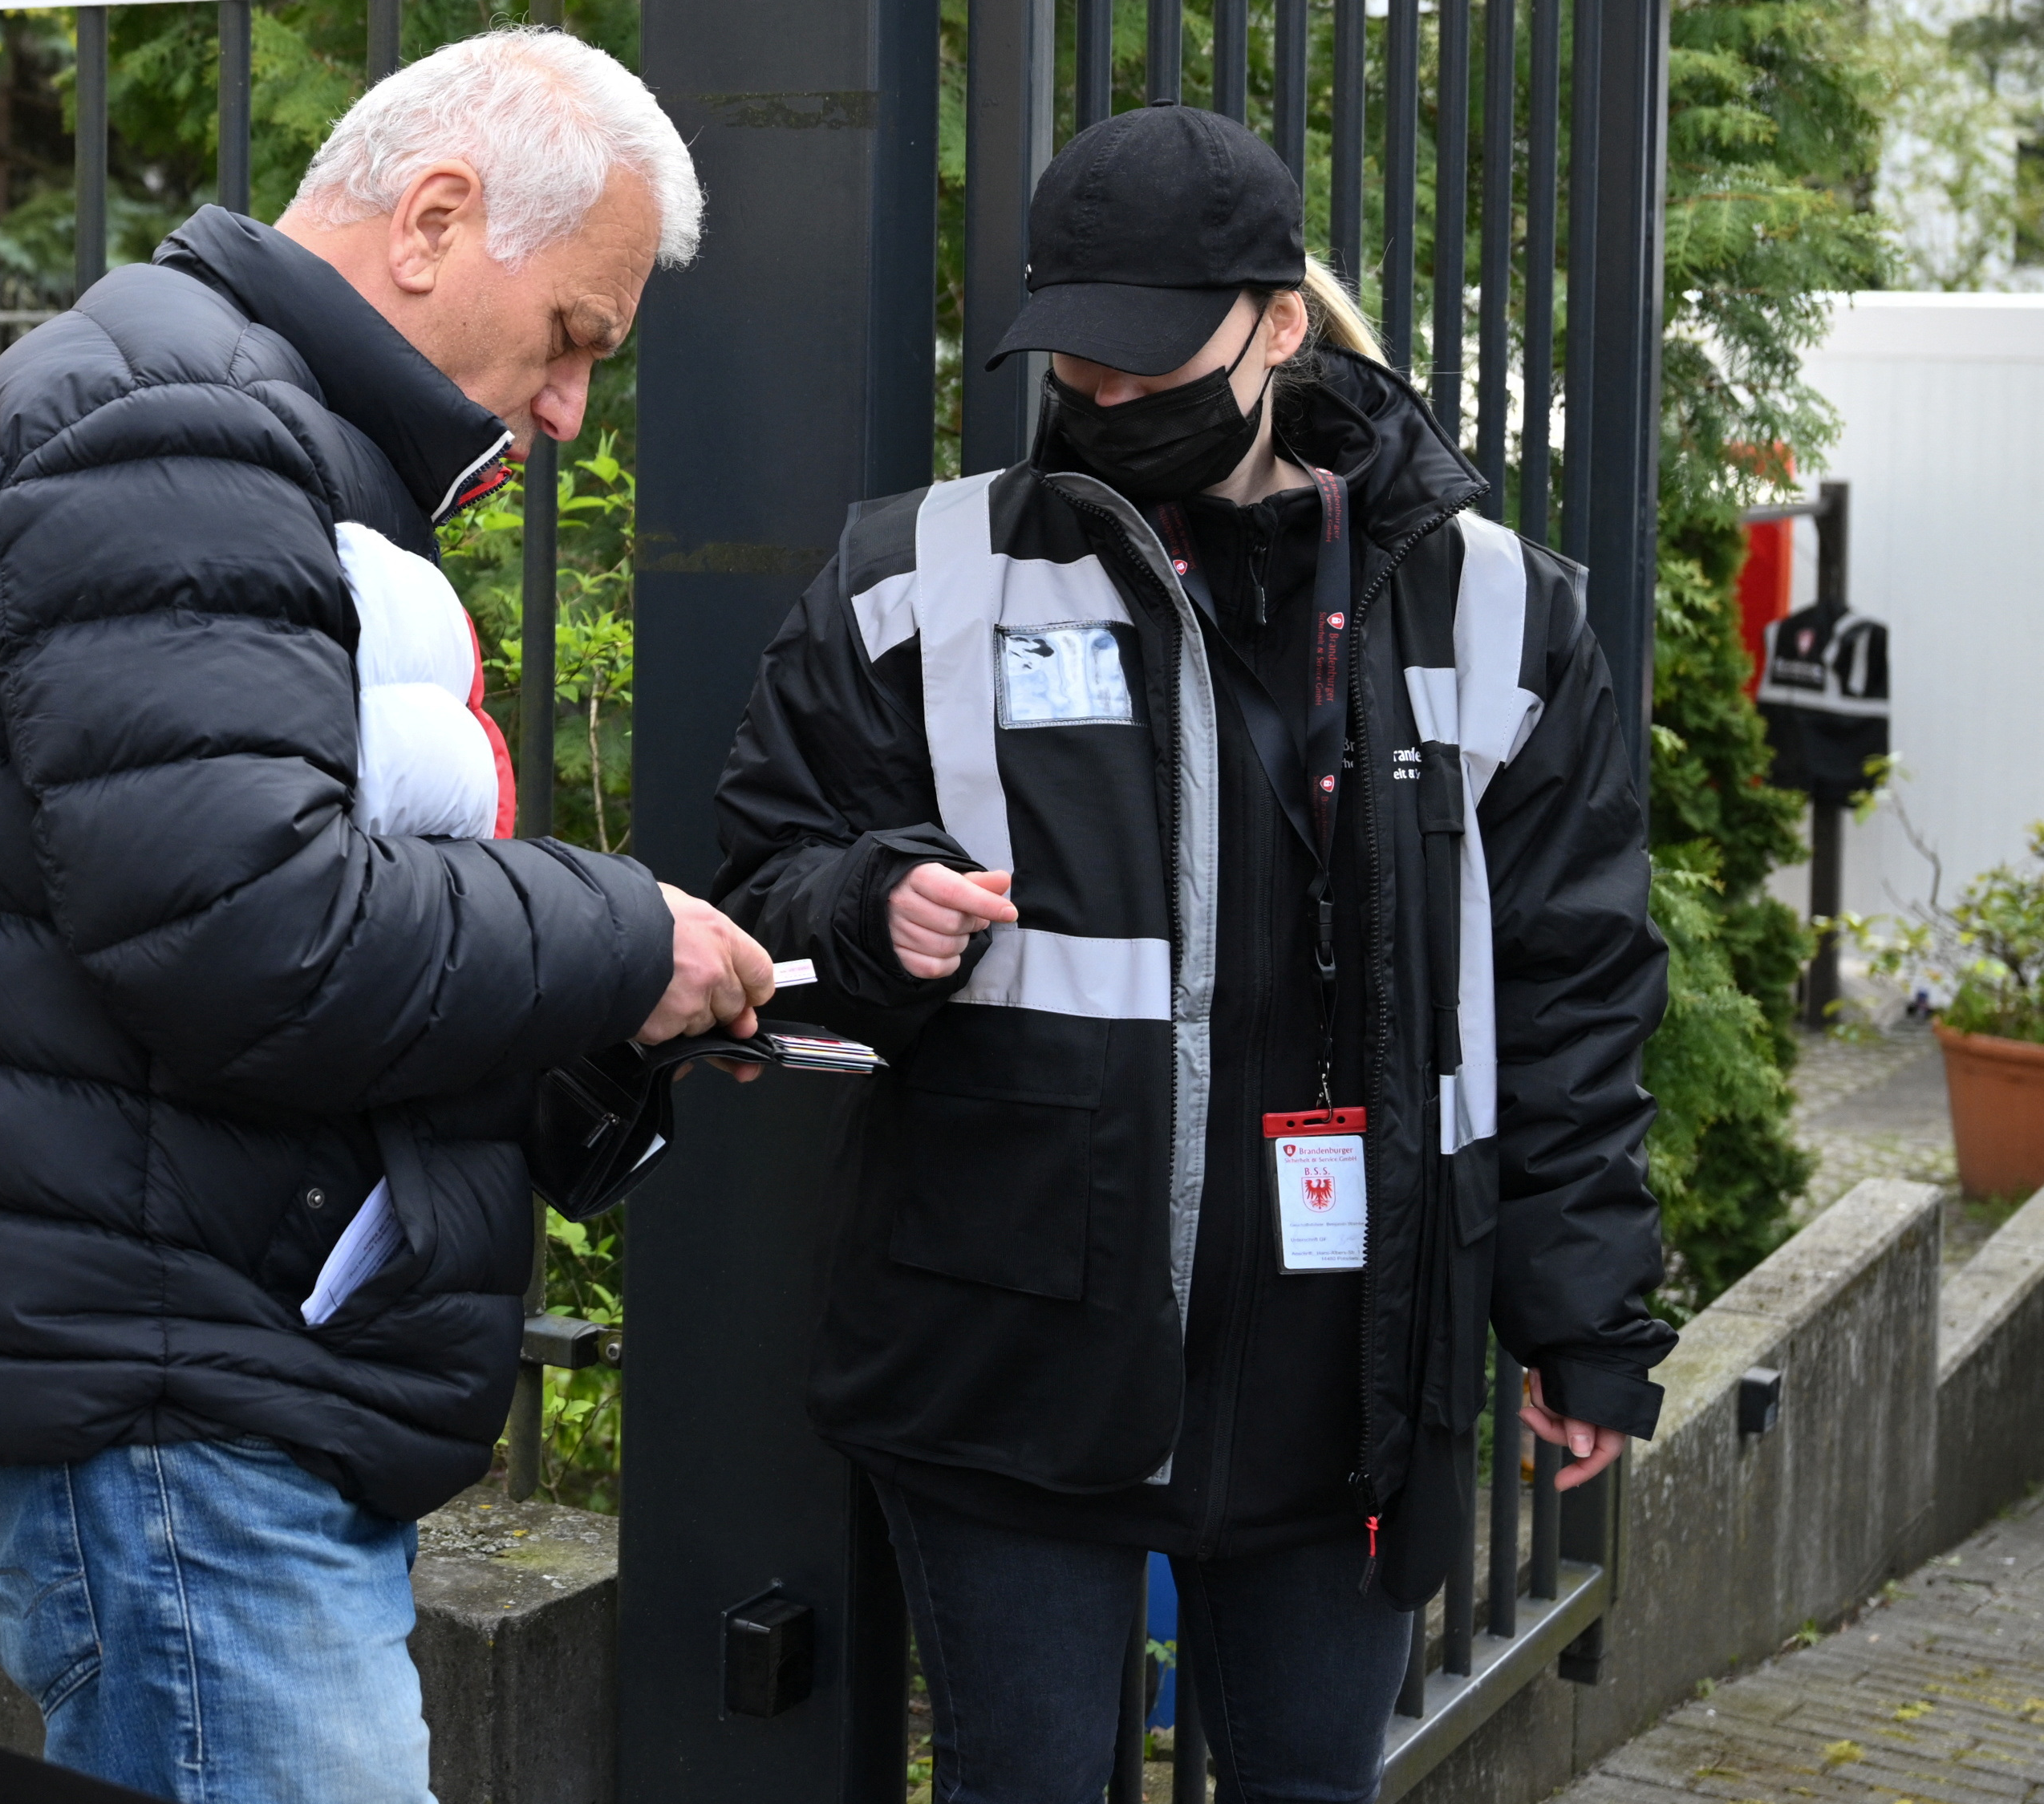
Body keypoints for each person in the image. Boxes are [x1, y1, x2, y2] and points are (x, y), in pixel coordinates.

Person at [0, 26, 774, 1804]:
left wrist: (609, 1019)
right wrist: (618, 929)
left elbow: (298, 924)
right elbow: (249, 932)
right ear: (432, 215)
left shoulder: (265, 434)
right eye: (574, 337)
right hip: (174, 1411)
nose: (568, 409)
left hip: (197, 1377)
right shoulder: (183, 427)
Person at [712, 103, 1673, 1804]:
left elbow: (1572, 984)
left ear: (1277, 328)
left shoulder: (1501, 608)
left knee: (1310, 1787)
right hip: (1009, 1355)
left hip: (1344, 1365)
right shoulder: (912, 577)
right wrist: (869, 910)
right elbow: (759, 892)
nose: (1104, 399)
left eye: (1152, 361)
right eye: (1074, 362)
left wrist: (1581, 1322)